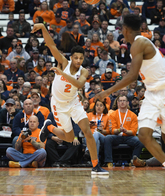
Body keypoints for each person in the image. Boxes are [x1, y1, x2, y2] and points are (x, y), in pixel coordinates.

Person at [94, 14, 165, 190]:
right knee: (144, 135)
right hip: (153, 93)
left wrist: (107, 91)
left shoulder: (139, 43)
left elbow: (132, 76)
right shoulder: (137, 44)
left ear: (125, 30)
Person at [31, 23, 108, 176]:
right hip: (58, 105)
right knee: (69, 137)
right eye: (76, 58)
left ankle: (95, 166)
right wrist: (43, 28)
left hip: (73, 102)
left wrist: (62, 74)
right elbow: (51, 45)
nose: (78, 61)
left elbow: (79, 84)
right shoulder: (64, 63)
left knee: (87, 131)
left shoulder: (84, 71)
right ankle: (49, 127)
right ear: (71, 58)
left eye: (81, 58)